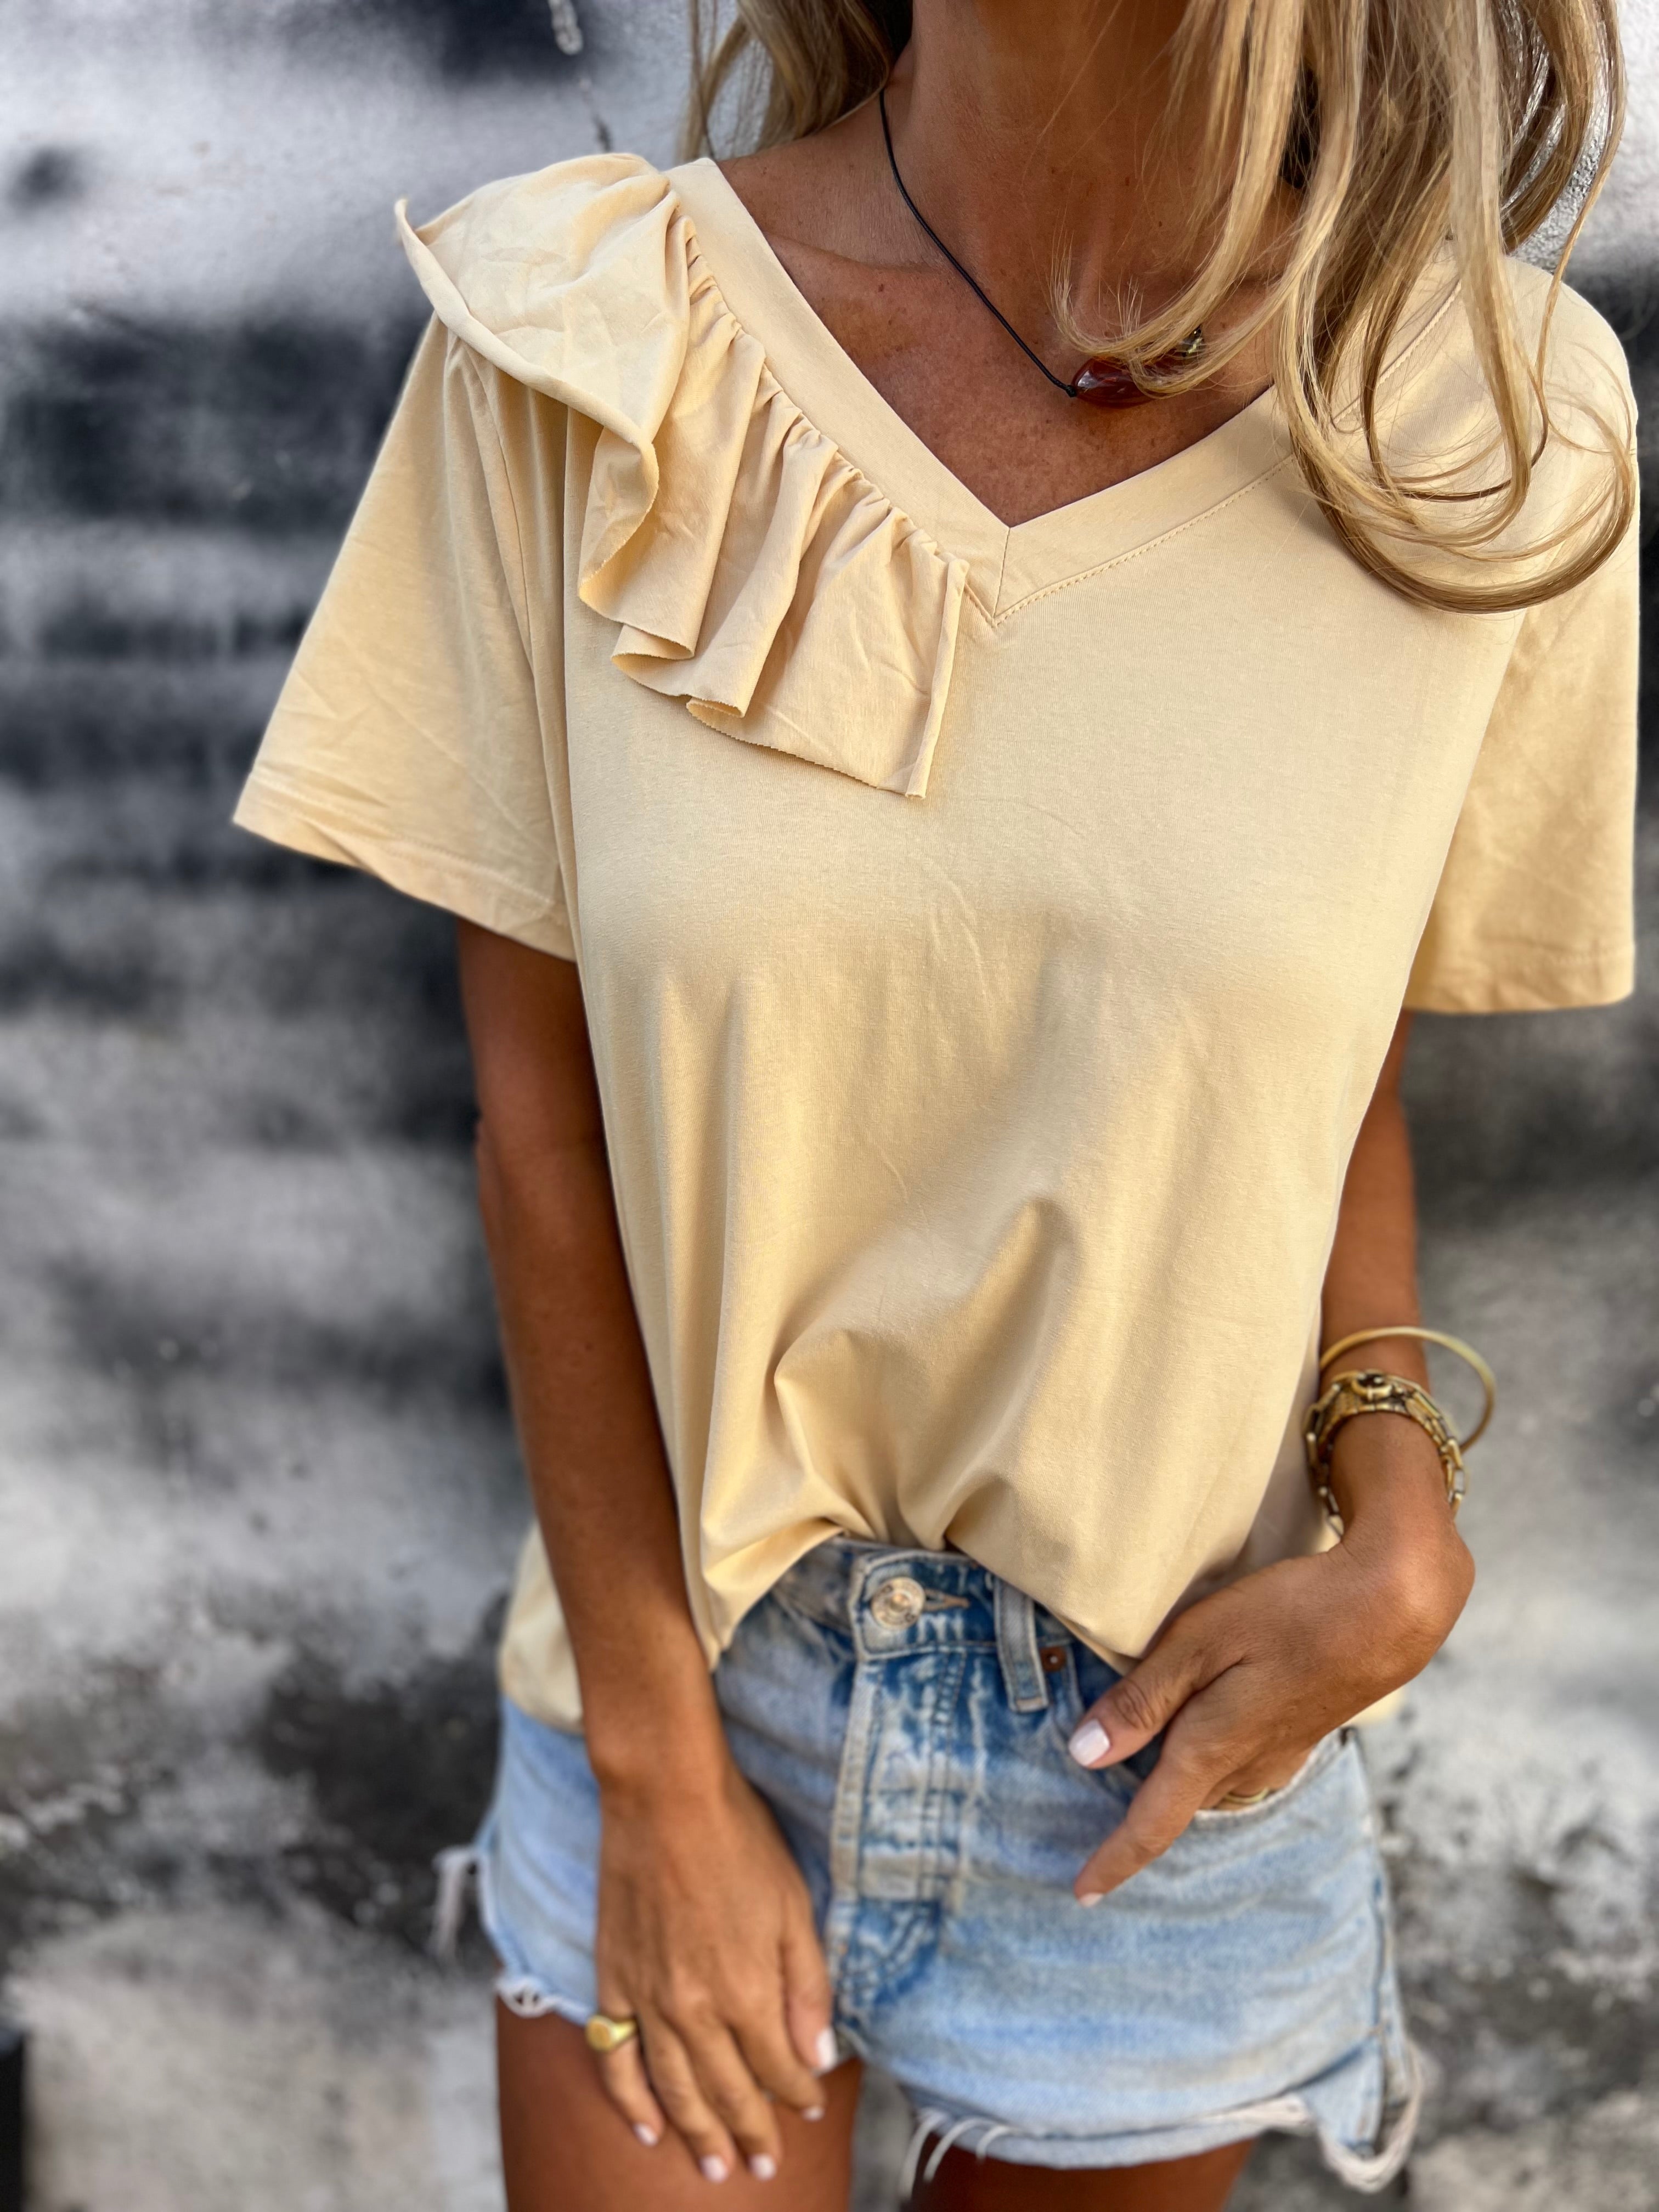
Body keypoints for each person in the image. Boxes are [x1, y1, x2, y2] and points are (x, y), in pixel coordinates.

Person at [232, 0, 1638, 2203]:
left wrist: (1403, 1527)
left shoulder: (1485, 421)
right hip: (681, 1674)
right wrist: (657, 1769)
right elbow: (544, 1139)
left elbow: (1309, 1090)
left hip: (1163, 1755)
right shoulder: (593, 333)